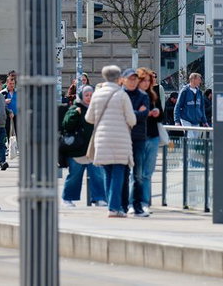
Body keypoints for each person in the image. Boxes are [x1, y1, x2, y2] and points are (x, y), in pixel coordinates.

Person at [87, 65, 137, 218]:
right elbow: (131, 119)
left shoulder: (97, 95)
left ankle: (111, 206)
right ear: (118, 78)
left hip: (102, 139)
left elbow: (89, 118)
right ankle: (115, 207)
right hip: (120, 140)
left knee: (108, 173)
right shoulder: (122, 95)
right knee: (118, 174)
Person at [61, 85, 106, 208]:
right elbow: (66, 125)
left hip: (93, 150)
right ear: (81, 96)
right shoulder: (75, 108)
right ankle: (67, 198)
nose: (89, 98)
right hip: (77, 150)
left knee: (98, 176)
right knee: (74, 176)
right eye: (86, 95)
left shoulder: (97, 109)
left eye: (91, 95)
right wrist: (75, 114)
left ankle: (99, 198)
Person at [130, 68, 162, 216]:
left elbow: (162, 116)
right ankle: (132, 202)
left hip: (153, 135)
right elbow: (131, 116)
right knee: (136, 172)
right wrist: (146, 113)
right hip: (138, 137)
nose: (146, 83)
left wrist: (155, 113)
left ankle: (144, 203)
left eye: (149, 81)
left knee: (147, 173)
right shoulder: (132, 95)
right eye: (144, 80)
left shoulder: (153, 95)